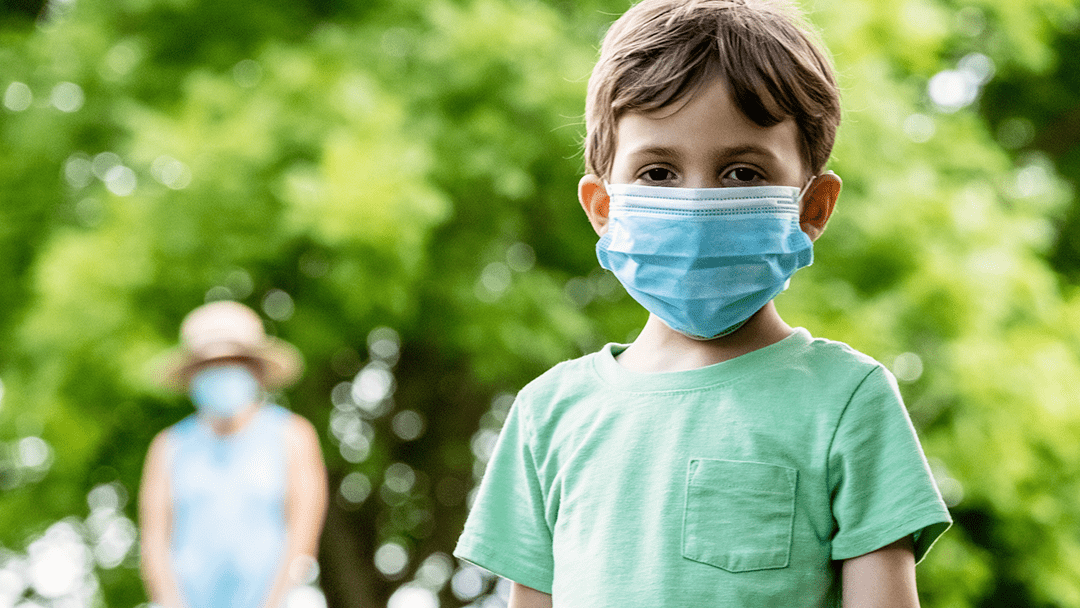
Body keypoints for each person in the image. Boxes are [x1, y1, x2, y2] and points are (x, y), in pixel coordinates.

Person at [453, 1, 952, 606]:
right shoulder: (546, 417)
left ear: (811, 207)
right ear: (603, 209)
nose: (696, 204)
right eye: (658, 172)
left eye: (741, 173)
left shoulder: (849, 402)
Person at [139, 300, 328, 608]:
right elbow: (154, 543)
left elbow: (303, 536)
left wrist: (275, 602)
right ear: (192, 373)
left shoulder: (293, 436)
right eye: (210, 365)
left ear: (256, 369)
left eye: (232, 362)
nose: (222, 372)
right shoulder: (169, 446)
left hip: (277, 599)